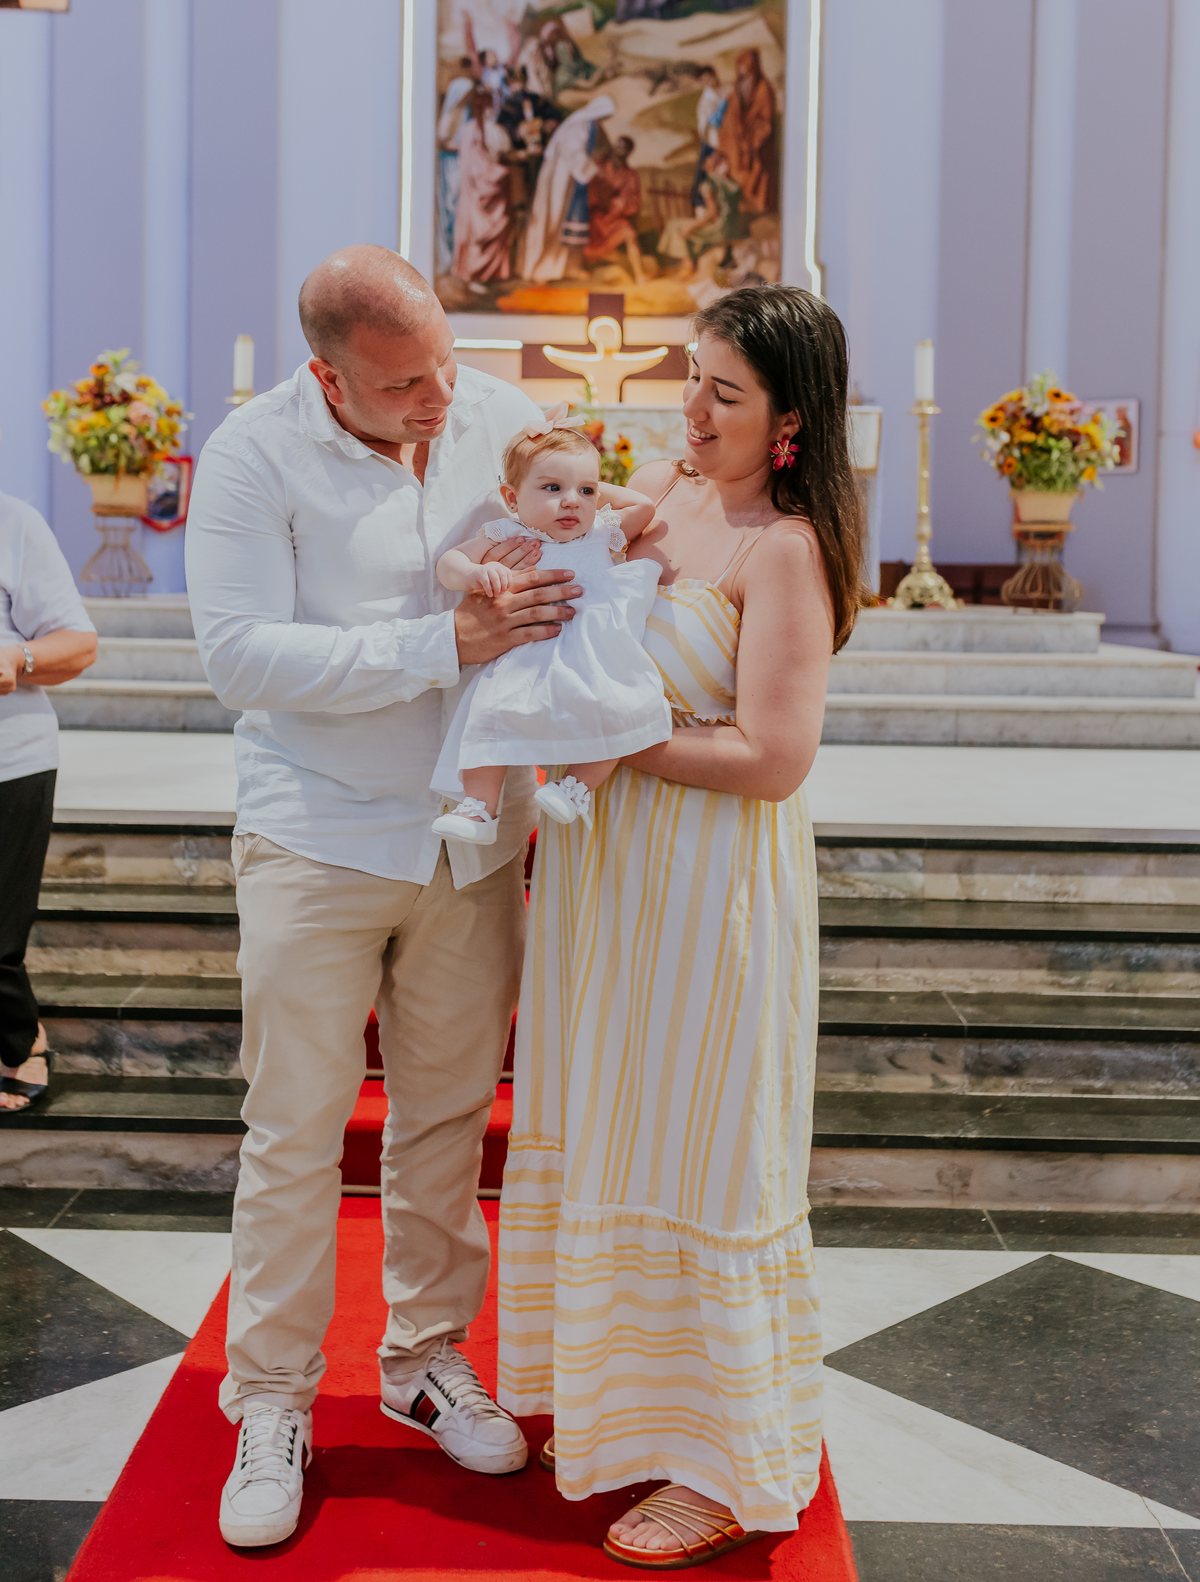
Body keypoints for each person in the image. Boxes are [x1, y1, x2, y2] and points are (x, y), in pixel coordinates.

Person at [185, 246, 583, 1550]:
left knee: (447, 1123)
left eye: (445, 368)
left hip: (471, 839)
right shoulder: (253, 454)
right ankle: (273, 1402)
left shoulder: (491, 412)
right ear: (328, 373)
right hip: (318, 834)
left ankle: (422, 1360)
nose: (439, 400)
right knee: (294, 1133)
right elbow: (241, 655)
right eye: (405, 384)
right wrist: (443, 643)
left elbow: (572, 528)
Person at [497, 284, 865, 1565]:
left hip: (713, 891)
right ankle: (618, 1405)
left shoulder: (787, 548)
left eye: (724, 392)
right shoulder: (666, 491)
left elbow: (774, 758)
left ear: (790, 426)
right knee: (612, 1120)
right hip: (608, 883)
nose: (691, 408)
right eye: (692, 378)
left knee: (706, 1143)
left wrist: (614, 739)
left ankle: (717, 1459)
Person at [429, 415, 670, 842]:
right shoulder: (511, 532)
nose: (573, 501)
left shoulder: (602, 534)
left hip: (592, 654)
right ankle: (479, 807)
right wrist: (471, 574)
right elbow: (448, 562)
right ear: (511, 497)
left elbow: (644, 508)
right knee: (490, 714)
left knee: (613, 711)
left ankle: (576, 788)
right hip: (527, 654)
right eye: (552, 488)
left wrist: (583, 478)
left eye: (586, 491)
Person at [0, 492, 96, 1113]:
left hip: (9, 759)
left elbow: (78, 644)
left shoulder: (12, 522)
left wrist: (17, 655)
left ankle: (16, 1038)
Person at [522, 94, 614, 282]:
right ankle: (542, 270)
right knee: (554, 220)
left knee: (572, 223)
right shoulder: (579, 124)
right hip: (561, 178)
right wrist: (593, 171)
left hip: (574, 181)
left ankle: (569, 268)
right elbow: (572, 152)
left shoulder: (589, 124)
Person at [452, 88, 514, 290]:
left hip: (474, 187)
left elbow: (465, 161)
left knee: (474, 229)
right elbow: (504, 151)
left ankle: (473, 273)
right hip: (487, 184)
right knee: (484, 229)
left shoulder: (468, 129)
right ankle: (482, 274)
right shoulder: (495, 131)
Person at [659, 147, 747, 279]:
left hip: (718, 228)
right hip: (732, 227)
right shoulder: (733, 184)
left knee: (675, 226)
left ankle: (687, 265)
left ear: (710, 166)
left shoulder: (708, 184)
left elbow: (713, 213)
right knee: (684, 224)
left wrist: (692, 227)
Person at [718, 47, 777, 216]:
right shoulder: (738, 86)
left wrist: (752, 132)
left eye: (745, 68)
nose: (742, 73)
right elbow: (734, 109)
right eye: (739, 68)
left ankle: (757, 207)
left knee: (758, 170)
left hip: (757, 140)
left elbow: (765, 118)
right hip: (738, 139)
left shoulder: (764, 88)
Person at [585, 135, 646, 282]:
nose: (620, 151)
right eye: (618, 146)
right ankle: (620, 263)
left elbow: (633, 199)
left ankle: (639, 275)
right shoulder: (599, 167)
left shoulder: (630, 175)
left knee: (629, 234)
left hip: (615, 216)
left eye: (624, 149)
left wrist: (620, 203)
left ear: (628, 153)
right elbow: (589, 189)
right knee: (589, 247)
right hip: (596, 216)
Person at [436, 57, 475, 272]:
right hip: (452, 166)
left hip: (465, 165)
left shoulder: (469, 117)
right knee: (452, 206)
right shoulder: (451, 116)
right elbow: (443, 141)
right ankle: (449, 258)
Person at [691, 64, 727, 207]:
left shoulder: (726, 91)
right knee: (706, 176)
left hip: (727, 139)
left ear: (715, 74)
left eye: (709, 78)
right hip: (713, 142)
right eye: (704, 81)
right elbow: (704, 127)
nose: (708, 82)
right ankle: (701, 206)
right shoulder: (706, 101)